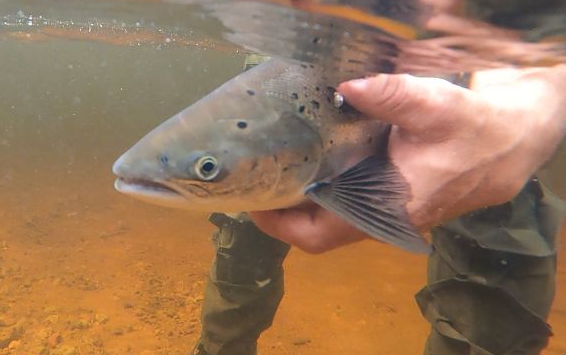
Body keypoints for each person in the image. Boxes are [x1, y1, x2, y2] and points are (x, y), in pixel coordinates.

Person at [191, 60, 566, 355]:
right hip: (292, 43)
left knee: (494, 265)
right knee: (243, 208)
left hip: (486, 67)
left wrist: (537, 105)